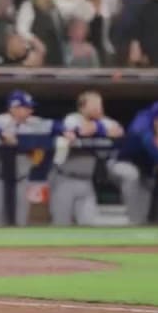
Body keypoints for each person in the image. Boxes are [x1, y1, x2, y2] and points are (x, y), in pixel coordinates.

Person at [0, 90, 56, 226]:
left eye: (30, 107)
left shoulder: (34, 122)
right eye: (27, 107)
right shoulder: (0, 121)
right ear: (14, 108)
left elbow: (57, 126)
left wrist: (68, 131)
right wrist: (1, 133)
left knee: (20, 223)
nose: (30, 110)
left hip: (22, 180)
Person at [50, 91, 124, 226]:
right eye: (94, 105)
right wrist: (101, 130)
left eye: (100, 105)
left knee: (89, 224)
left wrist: (98, 127)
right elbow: (82, 130)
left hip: (87, 181)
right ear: (82, 107)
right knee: (60, 224)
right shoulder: (72, 118)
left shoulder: (104, 121)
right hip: (64, 179)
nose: (99, 108)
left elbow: (119, 131)